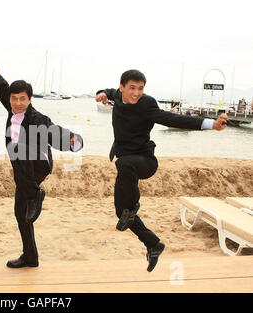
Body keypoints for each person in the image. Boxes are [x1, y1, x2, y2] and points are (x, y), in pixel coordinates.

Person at [96, 69, 228, 272]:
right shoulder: (117, 96)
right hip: (126, 164)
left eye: (140, 88)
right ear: (122, 87)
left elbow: (173, 119)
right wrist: (101, 93)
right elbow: (108, 91)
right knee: (120, 212)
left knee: (124, 169)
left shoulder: (146, 104)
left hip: (145, 161)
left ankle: (132, 207)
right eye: (132, 88)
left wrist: (211, 124)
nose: (136, 93)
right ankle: (152, 244)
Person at [0, 67, 83, 268]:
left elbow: (51, 129)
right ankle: (30, 256)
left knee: (21, 152)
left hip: (38, 163)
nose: (18, 103)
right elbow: (3, 90)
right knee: (21, 213)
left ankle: (35, 194)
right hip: (23, 168)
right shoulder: (11, 107)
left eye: (23, 99)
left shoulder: (35, 118)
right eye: (14, 99)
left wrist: (71, 138)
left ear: (30, 100)